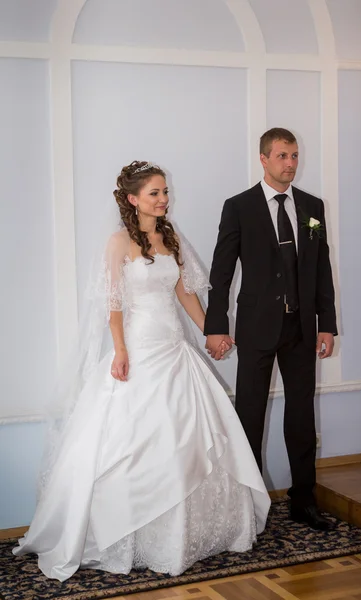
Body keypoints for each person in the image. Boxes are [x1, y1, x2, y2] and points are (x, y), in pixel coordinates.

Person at [13, 161, 270, 581]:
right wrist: (119, 350)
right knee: (138, 444)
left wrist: (214, 332)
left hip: (175, 350)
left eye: (165, 191)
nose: (163, 199)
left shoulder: (170, 238)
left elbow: (185, 295)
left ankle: (190, 535)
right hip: (138, 349)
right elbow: (112, 303)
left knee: (189, 439)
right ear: (133, 199)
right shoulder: (118, 243)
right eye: (154, 193)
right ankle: (131, 535)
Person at [204, 128, 337, 531]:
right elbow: (222, 272)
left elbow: (320, 269)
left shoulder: (312, 207)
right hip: (257, 328)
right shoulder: (239, 207)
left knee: (300, 417)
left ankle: (303, 500)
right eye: (282, 156)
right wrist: (215, 325)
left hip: (301, 329)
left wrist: (326, 325)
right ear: (263, 158)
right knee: (250, 417)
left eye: (294, 156)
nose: (290, 164)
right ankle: (248, 506)